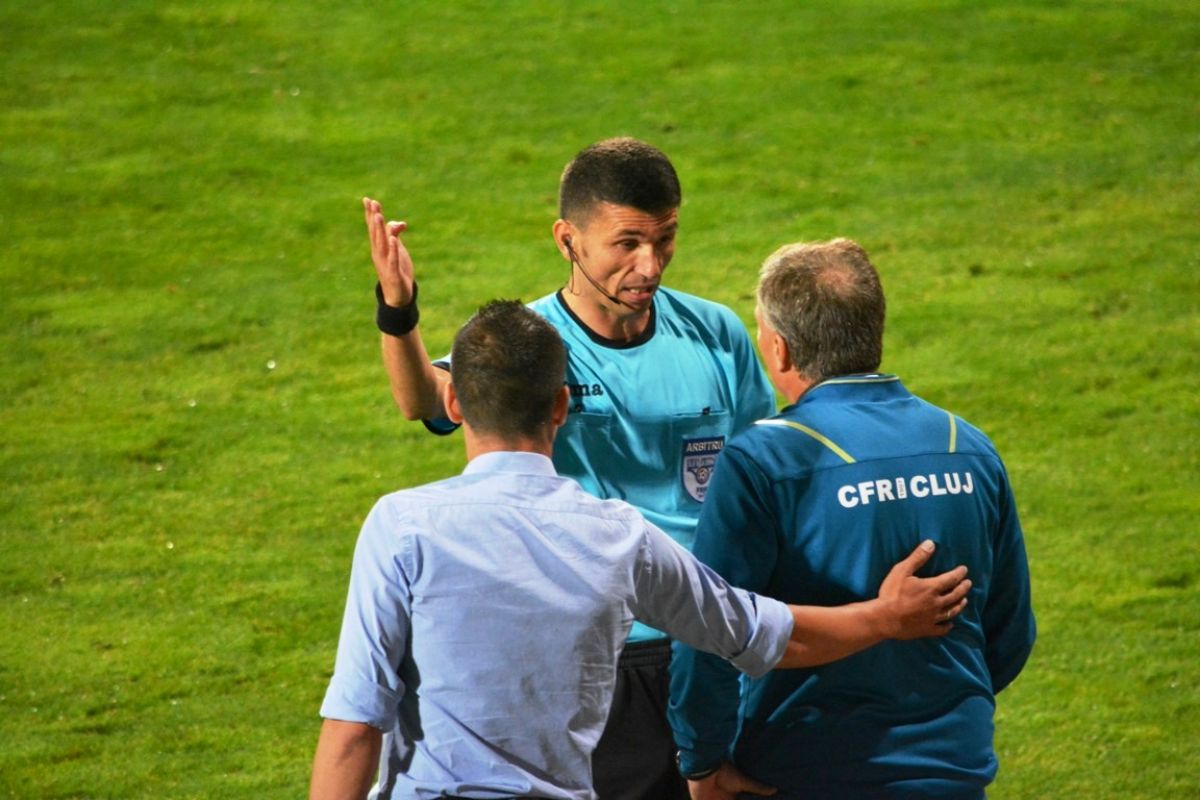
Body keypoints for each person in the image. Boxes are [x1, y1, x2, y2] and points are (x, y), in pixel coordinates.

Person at [309, 300, 973, 800]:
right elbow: (763, 634)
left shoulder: (403, 527)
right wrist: (886, 617)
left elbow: (354, 726)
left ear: (454, 400)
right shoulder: (618, 536)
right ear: (561, 406)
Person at [362, 137, 778, 798]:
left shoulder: (716, 333)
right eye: (627, 243)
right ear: (568, 240)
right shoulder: (529, 344)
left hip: (712, 638)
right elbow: (426, 401)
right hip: (602, 648)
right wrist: (398, 309)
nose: (649, 265)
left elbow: (762, 478)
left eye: (665, 239)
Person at [668, 239, 1037, 800]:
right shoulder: (967, 446)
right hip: (951, 769)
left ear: (779, 349)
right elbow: (1009, 632)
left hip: (804, 770)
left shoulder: (764, 460)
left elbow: (712, 632)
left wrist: (702, 759)